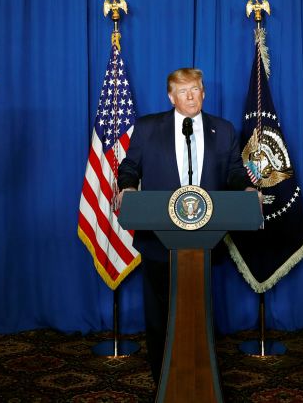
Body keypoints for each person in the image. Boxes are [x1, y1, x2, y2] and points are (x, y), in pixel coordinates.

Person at [117, 67, 257, 384]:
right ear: (171, 97)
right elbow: (129, 168)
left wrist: (246, 189)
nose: (190, 96)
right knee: (158, 319)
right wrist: (126, 187)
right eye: (183, 91)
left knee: (199, 315)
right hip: (157, 241)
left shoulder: (223, 130)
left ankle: (199, 378)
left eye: (195, 89)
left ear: (203, 92)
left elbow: (234, 172)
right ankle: (162, 382)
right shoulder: (148, 127)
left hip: (205, 242)